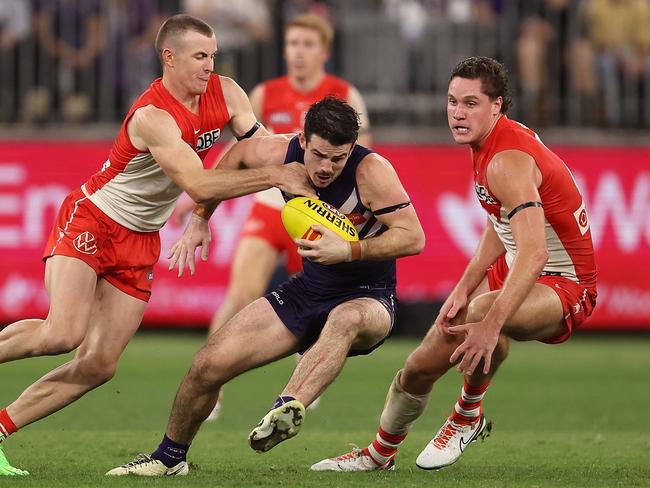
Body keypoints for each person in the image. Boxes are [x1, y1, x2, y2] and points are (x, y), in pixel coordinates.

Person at [0, 14, 314, 477]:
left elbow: (257, 145)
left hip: (142, 238)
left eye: (213, 55)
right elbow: (198, 182)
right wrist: (274, 176)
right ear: (169, 57)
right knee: (63, 333)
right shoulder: (153, 117)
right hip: (95, 219)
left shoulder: (226, 92)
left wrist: (308, 152)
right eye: (200, 56)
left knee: (100, 365)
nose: (210, 66)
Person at [106, 96, 425, 476]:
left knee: (345, 319)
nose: (326, 168)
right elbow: (237, 156)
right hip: (308, 290)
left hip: (369, 296)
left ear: (351, 150)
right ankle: (169, 458)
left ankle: (286, 407)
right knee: (207, 366)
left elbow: (414, 238)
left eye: (337, 159)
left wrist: (349, 250)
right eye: (319, 155)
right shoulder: (279, 152)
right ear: (303, 140)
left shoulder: (372, 171)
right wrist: (200, 217)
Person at [311, 56, 598, 472]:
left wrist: (489, 321)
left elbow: (535, 253)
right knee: (417, 369)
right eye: (452, 102)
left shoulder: (506, 161)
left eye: (470, 103)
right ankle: (378, 455)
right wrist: (465, 286)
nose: (458, 113)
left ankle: (467, 415)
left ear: (497, 105)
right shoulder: (486, 144)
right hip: (517, 271)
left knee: (485, 316)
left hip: (567, 285)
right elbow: (499, 224)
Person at [175, 13, 373, 421]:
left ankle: (302, 385)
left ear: (324, 52)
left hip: (320, 215)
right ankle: (211, 390)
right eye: (291, 44)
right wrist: (197, 198)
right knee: (240, 292)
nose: (297, 53)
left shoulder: (342, 94)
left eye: (306, 45)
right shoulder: (266, 93)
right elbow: (243, 153)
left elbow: (363, 154)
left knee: (321, 303)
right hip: (270, 207)